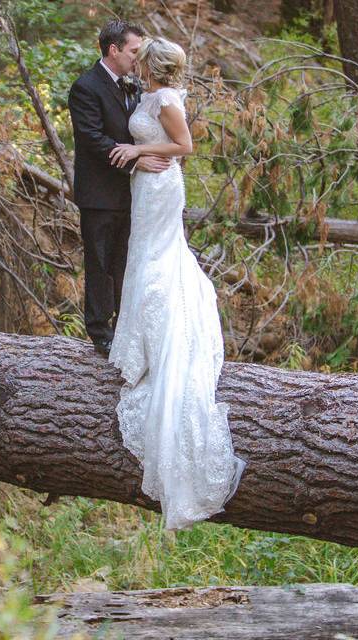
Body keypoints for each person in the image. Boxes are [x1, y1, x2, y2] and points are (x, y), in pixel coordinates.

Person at [107, 37, 246, 530]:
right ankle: (138, 338)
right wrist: (136, 154)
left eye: (142, 57)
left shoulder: (166, 100)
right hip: (145, 182)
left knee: (156, 259)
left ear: (154, 64)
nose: (136, 60)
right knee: (143, 257)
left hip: (162, 183)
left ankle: (156, 339)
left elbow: (184, 147)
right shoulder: (147, 94)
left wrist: (138, 148)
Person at [68, 20, 171, 357]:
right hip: (99, 194)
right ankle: (100, 332)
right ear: (114, 50)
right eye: (133, 51)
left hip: (134, 193)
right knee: (99, 262)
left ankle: (125, 328)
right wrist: (135, 161)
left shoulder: (135, 87)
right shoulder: (86, 87)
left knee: (126, 262)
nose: (137, 58)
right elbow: (93, 138)